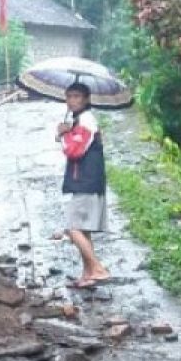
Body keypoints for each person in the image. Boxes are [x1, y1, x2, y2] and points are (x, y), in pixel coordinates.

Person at [56, 82, 111, 288]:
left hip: (86, 182)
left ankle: (98, 269)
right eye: (69, 96)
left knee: (72, 228)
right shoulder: (79, 120)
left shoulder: (86, 121)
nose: (72, 100)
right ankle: (87, 275)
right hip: (86, 181)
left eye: (77, 96)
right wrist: (65, 133)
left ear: (86, 99)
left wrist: (62, 135)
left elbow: (74, 151)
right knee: (84, 230)